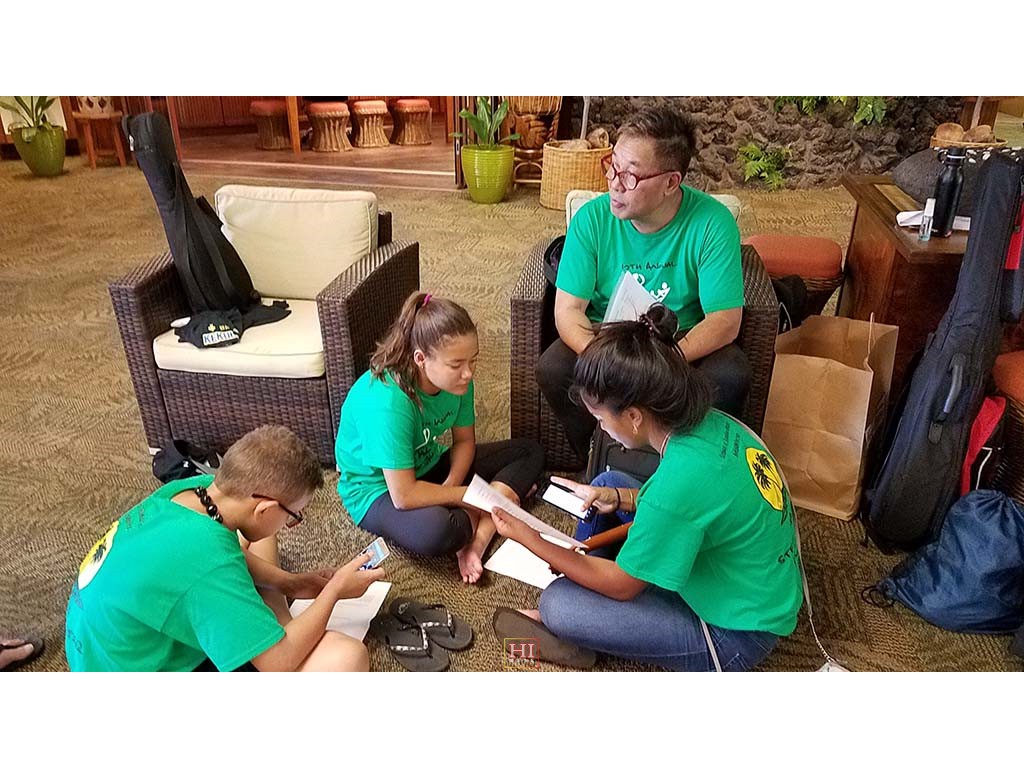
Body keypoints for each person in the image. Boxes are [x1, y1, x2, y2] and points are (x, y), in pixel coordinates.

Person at [492, 305, 802, 671]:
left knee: (557, 604)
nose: (602, 429)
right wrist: (621, 498)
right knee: (608, 484)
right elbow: (697, 506)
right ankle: (590, 591)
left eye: (600, 419)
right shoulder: (713, 423)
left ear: (634, 416)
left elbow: (624, 584)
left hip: (734, 635)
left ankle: (577, 629)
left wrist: (530, 538)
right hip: (753, 584)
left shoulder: (677, 485)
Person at [65, 425, 381, 672]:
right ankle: (277, 632)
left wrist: (290, 583)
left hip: (108, 648)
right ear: (265, 508)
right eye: (293, 516)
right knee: (346, 657)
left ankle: (274, 628)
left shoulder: (188, 492)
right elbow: (278, 664)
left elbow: (223, 558)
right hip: (145, 666)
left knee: (259, 539)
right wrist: (333, 591)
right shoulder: (209, 563)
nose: (291, 524)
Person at [538, 104, 749, 459]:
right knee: (554, 367)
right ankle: (599, 454)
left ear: (671, 182)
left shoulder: (712, 223)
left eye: (630, 176)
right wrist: (603, 359)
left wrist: (665, 361)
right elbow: (568, 310)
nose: (614, 183)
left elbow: (725, 320)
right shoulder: (592, 219)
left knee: (731, 374)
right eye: (612, 166)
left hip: (679, 341)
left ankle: (687, 463)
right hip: (608, 337)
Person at [336, 291, 544, 584]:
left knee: (530, 452)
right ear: (421, 359)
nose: (468, 373)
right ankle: (497, 504)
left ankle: (477, 541)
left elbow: (464, 442)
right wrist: (469, 497)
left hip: (426, 463)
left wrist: (451, 489)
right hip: (378, 490)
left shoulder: (458, 382)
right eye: (456, 364)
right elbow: (404, 496)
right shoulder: (387, 402)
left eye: (472, 361)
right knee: (440, 531)